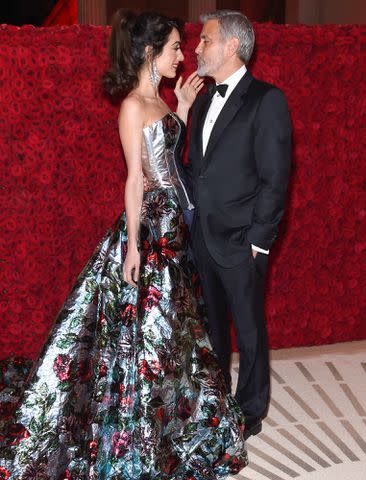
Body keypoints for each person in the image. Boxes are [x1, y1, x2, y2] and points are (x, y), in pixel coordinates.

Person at [0, 10, 248, 480]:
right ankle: (145, 427)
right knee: (152, 331)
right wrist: (133, 245)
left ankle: (178, 417)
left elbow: (168, 158)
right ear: (152, 53)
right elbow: (137, 179)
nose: (183, 55)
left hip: (175, 228)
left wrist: (182, 109)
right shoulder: (133, 105)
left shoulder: (157, 99)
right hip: (150, 232)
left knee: (177, 329)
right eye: (176, 47)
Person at [185, 10, 292, 440]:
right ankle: (217, 400)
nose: (196, 47)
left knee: (248, 331)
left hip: (242, 240)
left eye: (205, 40)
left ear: (231, 46)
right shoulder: (205, 101)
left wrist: (258, 242)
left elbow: (275, 179)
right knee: (212, 330)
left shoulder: (267, 100)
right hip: (204, 238)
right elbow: (196, 170)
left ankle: (250, 411)